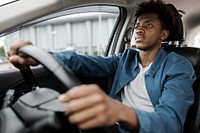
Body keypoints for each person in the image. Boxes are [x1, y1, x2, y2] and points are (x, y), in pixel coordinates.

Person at [7, 0, 196, 133]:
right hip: (110, 127)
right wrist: (43, 56)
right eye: (137, 25)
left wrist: (118, 111)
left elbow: (170, 124)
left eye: (148, 25)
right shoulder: (126, 58)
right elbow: (84, 62)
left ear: (164, 34)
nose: (139, 29)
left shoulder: (178, 67)